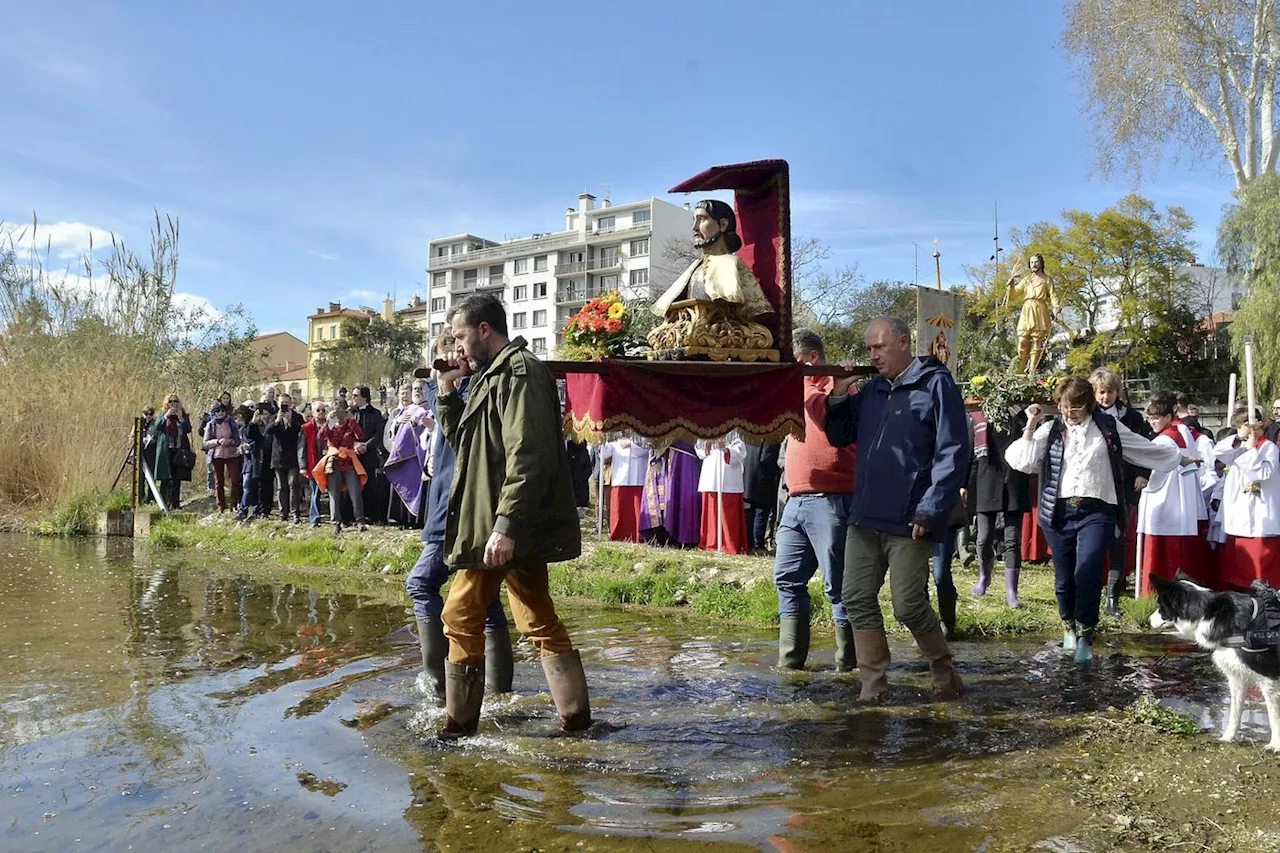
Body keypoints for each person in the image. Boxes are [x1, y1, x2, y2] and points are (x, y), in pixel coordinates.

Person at [435, 293, 588, 738]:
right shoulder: (488, 377)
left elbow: (531, 455)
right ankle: (577, 721)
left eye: (461, 336)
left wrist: (506, 527)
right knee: (537, 617)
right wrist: (448, 393)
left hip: (501, 525)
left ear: (485, 330)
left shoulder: (520, 372)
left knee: (459, 614)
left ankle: (457, 730)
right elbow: (466, 447)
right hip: (502, 521)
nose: (457, 347)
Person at [825, 316, 970, 701]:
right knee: (854, 596)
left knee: (908, 605)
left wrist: (931, 507)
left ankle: (942, 666)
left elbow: (953, 451)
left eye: (879, 347)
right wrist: (839, 397)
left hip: (910, 518)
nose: (872, 355)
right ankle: (873, 686)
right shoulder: (871, 390)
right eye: (869, 348)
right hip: (865, 514)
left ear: (904, 343)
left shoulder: (935, 384)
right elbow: (840, 436)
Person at [1006, 378, 1193, 663]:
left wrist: (1179, 458)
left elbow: (1142, 447)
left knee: (1089, 569)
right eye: (1065, 408)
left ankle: (1086, 634)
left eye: (1076, 409)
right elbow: (1023, 460)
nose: (1070, 414)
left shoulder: (1107, 426)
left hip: (1098, 510)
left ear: (1089, 406)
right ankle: (1068, 623)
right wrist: (1031, 424)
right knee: (1064, 577)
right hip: (1059, 511)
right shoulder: (1052, 429)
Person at [407, 330, 513, 699]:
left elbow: (461, 434)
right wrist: (443, 377)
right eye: (443, 351)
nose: (451, 355)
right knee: (488, 600)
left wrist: (451, 380)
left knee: (420, 583)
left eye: (456, 347)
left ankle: (437, 684)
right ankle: (498, 693)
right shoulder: (448, 388)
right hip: (446, 502)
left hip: (462, 505)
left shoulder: (476, 387)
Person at [773, 328, 857, 671]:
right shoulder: (792, 387)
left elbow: (828, 420)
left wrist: (838, 387)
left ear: (811, 357)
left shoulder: (840, 386)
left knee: (837, 584)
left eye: (793, 359)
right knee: (787, 577)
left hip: (832, 498)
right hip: (796, 499)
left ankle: (848, 666)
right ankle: (790, 663)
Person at [648, 198, 776, 361]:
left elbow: (750, 313)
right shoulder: (694, 268)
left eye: (701, 219)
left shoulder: (732, 264)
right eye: (694, 220)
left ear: (722, 225)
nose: (694, 228)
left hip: (722, 336)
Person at [1089, 368, 1152, 616]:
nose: (1106, 397)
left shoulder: (1132, 417)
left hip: (1124, 484)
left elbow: (1145, 446)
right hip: (1095, 484)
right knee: (1094, 539)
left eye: (1110, 392)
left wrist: (1142, 473)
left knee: (1119, 538)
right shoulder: (1088, 416)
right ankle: (1092, 590)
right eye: (1101, 392)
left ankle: (1113, 596)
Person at [1135, 393, 1212, 589]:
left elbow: (1154, 478)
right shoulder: (1183, 431)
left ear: (1169, 416)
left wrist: (1143, 481)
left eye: (1156, 418)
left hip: (1164, 503)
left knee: (1161, 555)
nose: (1152, 422)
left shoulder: (1162, 441)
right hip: (1184, 504)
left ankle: (1153, 591)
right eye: (1150, 418)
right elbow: (1190, 465)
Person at [970, 404, 1031, 609]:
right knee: (983, 537)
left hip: (1014, 481)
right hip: (987, 479)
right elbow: (971, 452)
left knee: (1012, 540)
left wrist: (1023, 413)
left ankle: (1011, 591)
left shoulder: (1021, 416)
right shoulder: (980, 417)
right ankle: (983, 577)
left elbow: (1030, 441)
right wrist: (963, 484)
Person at [1219, 410, 1280, 589]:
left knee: (1261, 573)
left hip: (1261, 515)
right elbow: (1220, 453)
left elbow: (1262, 473)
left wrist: (1251, 450)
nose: (1242, 431)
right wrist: (1241, 440)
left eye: (1243, 426)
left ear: (1257, 424)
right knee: (1239, 574)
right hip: (1240, 515)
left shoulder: (1269, 447)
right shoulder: (1242, 445)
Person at [1003, 253, 1059, 374]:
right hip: (1027, 310)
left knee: (1037, 340)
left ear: (1041, 263)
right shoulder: (1026, 280)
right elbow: (1013, 295)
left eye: (1036, 262)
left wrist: (1056, 307)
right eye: (1032, 262)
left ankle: (1032, 371)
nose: (1034, 264)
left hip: (1040, 309)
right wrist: (1011, 286)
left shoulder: (1047, 280)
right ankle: (1021, 369)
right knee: (1022, 339)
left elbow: (1053, 295)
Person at [695, 433, 748, 554]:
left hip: (728, 475)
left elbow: (741, 452)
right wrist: (706, 445)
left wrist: (725, 449)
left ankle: (729, 544)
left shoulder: (735, 432)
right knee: (711, 511)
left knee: (728, 512)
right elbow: (699, 449)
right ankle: (710, 542)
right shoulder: (707, 429)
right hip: (711, 473)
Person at [321, 401, 367, 532]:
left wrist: (351, 421)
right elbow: (321, 436)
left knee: (355, 492)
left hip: (349, 463)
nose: (339, 415)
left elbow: (361, 436)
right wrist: (328, 422)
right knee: (334, 494)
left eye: (341, 411)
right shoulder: (331, 425)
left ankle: (360, 520)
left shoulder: (350, 424)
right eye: (337, 411)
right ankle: (336, 522)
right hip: (334, 463)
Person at [264, 394, 306, 523]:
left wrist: (290, 422)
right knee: (281, 487)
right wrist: (277, 421)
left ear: (291, 403)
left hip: (293, 457)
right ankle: (283, 513)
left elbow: (302, 431)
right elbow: (268, 431)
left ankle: (295, 513)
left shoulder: (297, 416)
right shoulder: (274, 416)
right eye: (282, 403)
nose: (285, 405)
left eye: (287, 403)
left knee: (294, 485)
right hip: (278, 457)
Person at [148, 394, 194, 510]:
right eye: (170, 401)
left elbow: (188, 429)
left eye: (175, 401)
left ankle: (175, 504)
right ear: (166, 403)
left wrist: (181, 419)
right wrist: (166, 416)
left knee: (177, 478)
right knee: (166, 478)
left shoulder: (182, 414)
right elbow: (157, 427)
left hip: (179, 450)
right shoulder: (162, 414)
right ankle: (164, 504)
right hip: (166, 450)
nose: (173, 403)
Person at [601, 437, 649, 541]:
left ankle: (638, 535)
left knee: (637, 509)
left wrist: (632, 444)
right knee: (619, 509)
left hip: (638, 477)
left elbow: (647, 448)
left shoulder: (642, 430)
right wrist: (603, 442)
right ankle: (618, 535)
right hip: (620, 477)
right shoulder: (615, 435)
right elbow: (604, 454)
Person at [351, 386, 387, 524]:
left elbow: (379, 433)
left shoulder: (375, 413)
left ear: (364, 397)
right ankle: (354, 515)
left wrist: (366, 445)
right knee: (353, 485)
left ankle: (371, 515)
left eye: (356, 395)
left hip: (369, 455)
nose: (353, 397)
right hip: (352, 455)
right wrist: (354, 444)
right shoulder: (350, 413)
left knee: (370, 484)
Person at [201, 402, 242, 513]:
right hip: (216, 455)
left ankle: (234, 504)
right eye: (217, 411)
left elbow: (238, 440)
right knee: (219, 482)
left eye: (222, 411)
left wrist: (229, 441)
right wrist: (217, 441)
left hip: (231, 454)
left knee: (235, 479)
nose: (220, 413)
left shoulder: (231, 422)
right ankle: (221, 506)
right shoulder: (211, 424)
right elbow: (205, 443)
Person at [742, 440, 781, 553]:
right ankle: (758, 544)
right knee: (762, 511)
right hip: (762, 479)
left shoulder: (749, 437)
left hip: (747, 477)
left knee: (750, 512)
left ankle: (748, 543)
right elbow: (767, 459)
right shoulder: (771, 438)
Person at [300, 401, 329, 527]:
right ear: (313, 412)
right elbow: (301, 448)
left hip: (328, 463)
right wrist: (303, 466)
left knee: (333, 491)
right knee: (315, 492)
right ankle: (314, 519)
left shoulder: (330, 426)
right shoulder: (306, 428)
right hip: (313, 464)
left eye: (323, 410)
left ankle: (337, 518)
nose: (321, 412)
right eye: (318, 410)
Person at [234, 405, 261, 521]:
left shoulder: (253, 426)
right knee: (250, 486)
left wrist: (249, 446)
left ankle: (243, 510)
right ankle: (255, 509)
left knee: (248, 486)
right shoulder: (242, 427)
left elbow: (258, 441)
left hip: (253, 460)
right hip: (246, 460)